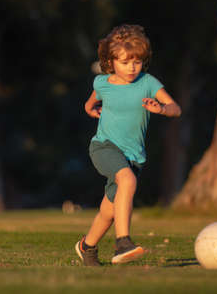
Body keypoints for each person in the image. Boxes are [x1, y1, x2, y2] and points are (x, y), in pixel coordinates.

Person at [75, 24, 181, 266]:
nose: (132, 67)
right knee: (127, 180)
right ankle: (123, 243)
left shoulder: (149, 82)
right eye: (125, 62)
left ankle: (87, 246)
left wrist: (162, 108)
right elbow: (89, 104)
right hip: (104, 146)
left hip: (133, 156)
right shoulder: (102, 83)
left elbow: (176, 108)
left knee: (109, 211)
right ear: (111, 62)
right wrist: (93, 110)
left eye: (137, 62)